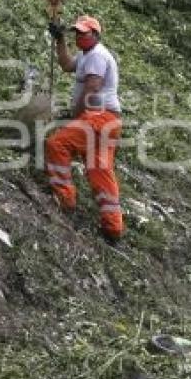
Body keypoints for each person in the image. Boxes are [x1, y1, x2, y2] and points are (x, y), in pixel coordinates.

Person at [46, 15, 124, 242]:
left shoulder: (97, 56)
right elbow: (66, 65)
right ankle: (113, 229)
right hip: (109, 122)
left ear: (96, 35)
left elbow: (92, 88)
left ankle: (65, 199)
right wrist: (60, 39)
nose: (80, 37)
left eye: (84, 33)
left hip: (98, 118)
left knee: (56, 144)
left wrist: (75, 116)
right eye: (77, 33)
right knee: (99, 170)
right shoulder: (86, 55)